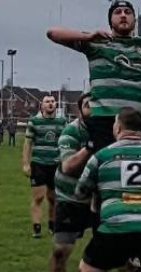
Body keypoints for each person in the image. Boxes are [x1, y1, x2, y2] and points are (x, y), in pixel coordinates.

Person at [46, 0, 141, 151]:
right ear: (110, 21)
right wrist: (88, 36)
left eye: (128, 12)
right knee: (105, 167)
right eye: (118, 12)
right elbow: (52, 33)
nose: (123, 15)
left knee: (138, 163)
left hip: (136, 120)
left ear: (134, 20)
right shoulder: (96, 42)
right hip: (103, 119)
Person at [74, 107, 141, 272]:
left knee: (86, 268)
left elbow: (80, 193)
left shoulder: (101, 156)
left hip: (116, 225)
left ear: (118, 128)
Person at [51, 93, 94, 272]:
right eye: (87, 106)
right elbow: (68, 166)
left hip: (99, 199)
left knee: (122, 255)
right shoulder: (71, 131)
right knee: (61, 251)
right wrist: (90, 147)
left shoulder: (113, 130)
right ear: (80, 110)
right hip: (70, 197)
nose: (92, 110)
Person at [23, 95, 62, 239]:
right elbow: (27, 144)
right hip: (39, 164)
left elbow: (66, 142)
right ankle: (37, 228)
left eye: (52, 101)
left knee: (53, 198)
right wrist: (26, 164)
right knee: (38, 197)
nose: (50, 104)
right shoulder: (34, 121)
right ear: (42, 106)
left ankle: (52, 225)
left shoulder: (62, 122)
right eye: (47, 102)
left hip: (56, 164)